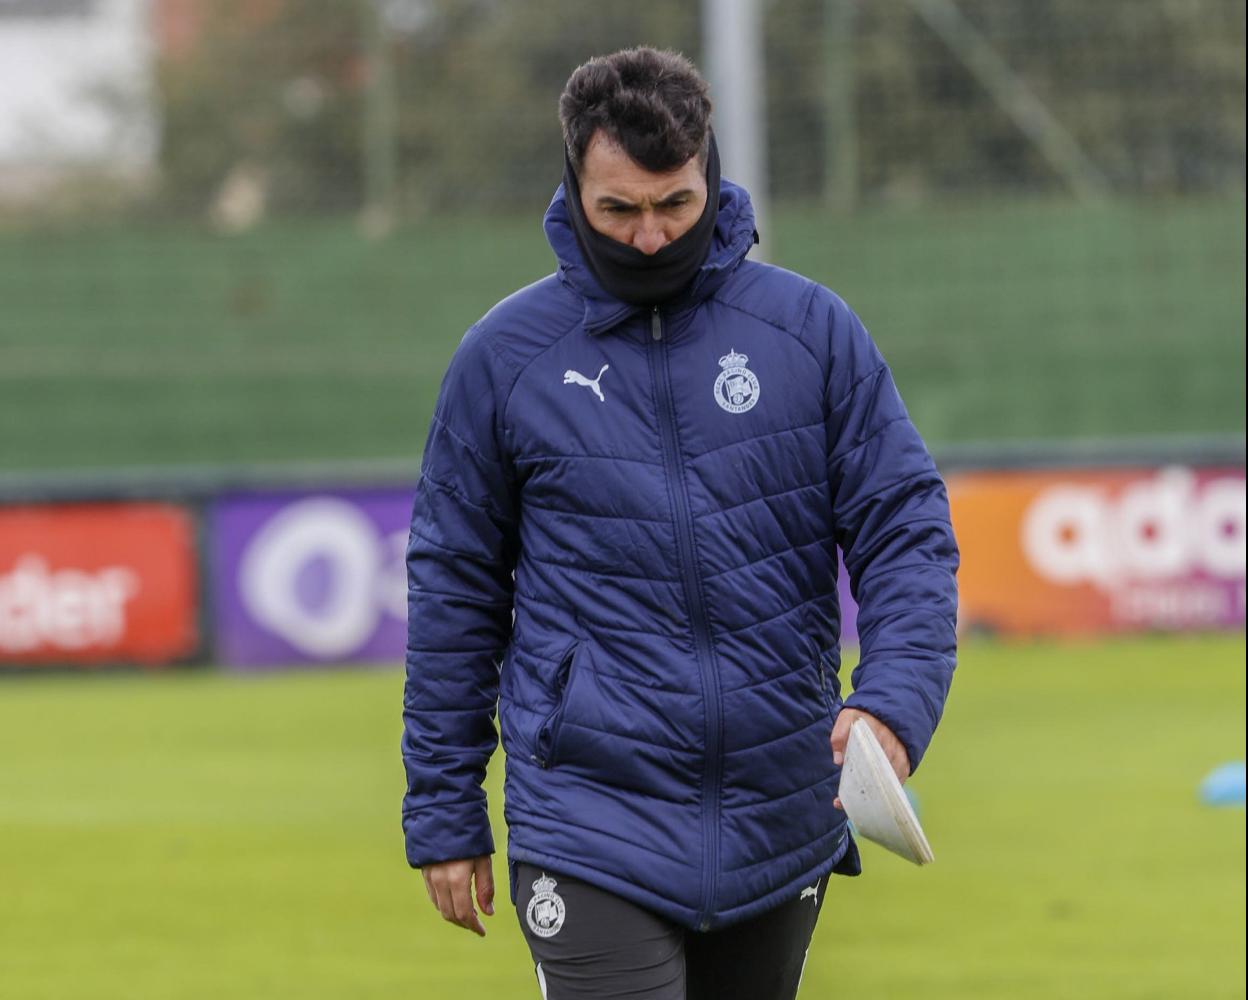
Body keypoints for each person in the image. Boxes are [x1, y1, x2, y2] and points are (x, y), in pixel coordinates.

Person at [402, 46, 958, 999]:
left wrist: (895, 701)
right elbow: (453, 590)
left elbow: (905, 529)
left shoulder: (812, 333)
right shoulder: (503, 359)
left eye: (675, 206)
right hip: (586, 814)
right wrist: (445, 806)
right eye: (619, 210)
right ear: (574, 184)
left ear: (709, 173)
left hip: (779, 812)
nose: (651, 237)